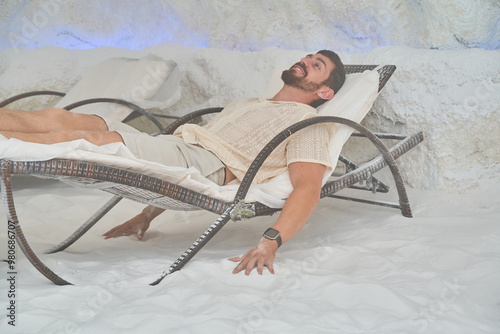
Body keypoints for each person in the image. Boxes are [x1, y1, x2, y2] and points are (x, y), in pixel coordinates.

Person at [0, 50, 345, 275]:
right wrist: (146, 211)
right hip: (178, 147)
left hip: (207, 161)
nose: (307, 61)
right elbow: (174, 173)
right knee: (64, 117)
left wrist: (269, 242)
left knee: (93, 143)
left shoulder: (306, 122)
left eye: (317, 66)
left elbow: (308, 188)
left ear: (325, 92)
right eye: (309, 56)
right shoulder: (251, 102)